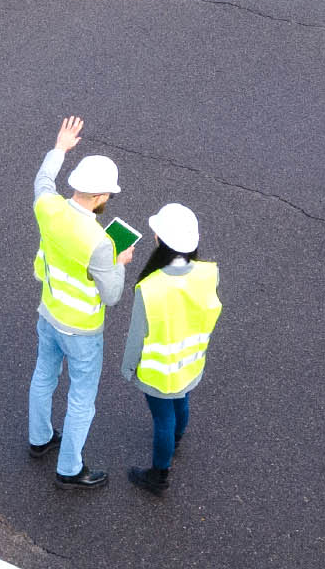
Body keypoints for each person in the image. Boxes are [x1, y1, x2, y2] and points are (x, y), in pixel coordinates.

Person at [28, 115, 134, 489]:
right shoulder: (101, 242)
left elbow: (42, 180)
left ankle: (39, 440)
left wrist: (60, 147)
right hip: (83, 331)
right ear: (102, 196)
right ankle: (69, 469)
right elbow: (113, 295)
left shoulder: (48, 207)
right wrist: (119, 262)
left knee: (44, 375)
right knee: (81, 399)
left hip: (49, 312)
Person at [120, 202, 222, 494]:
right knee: (182, 402)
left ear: (159, 241)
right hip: (190, 362)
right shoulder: (207, 273)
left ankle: (159, 475)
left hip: (158, 373)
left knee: (162, 419)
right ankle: (178, 438)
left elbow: (137, 335)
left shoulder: (150, 286)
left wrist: (128, 368)